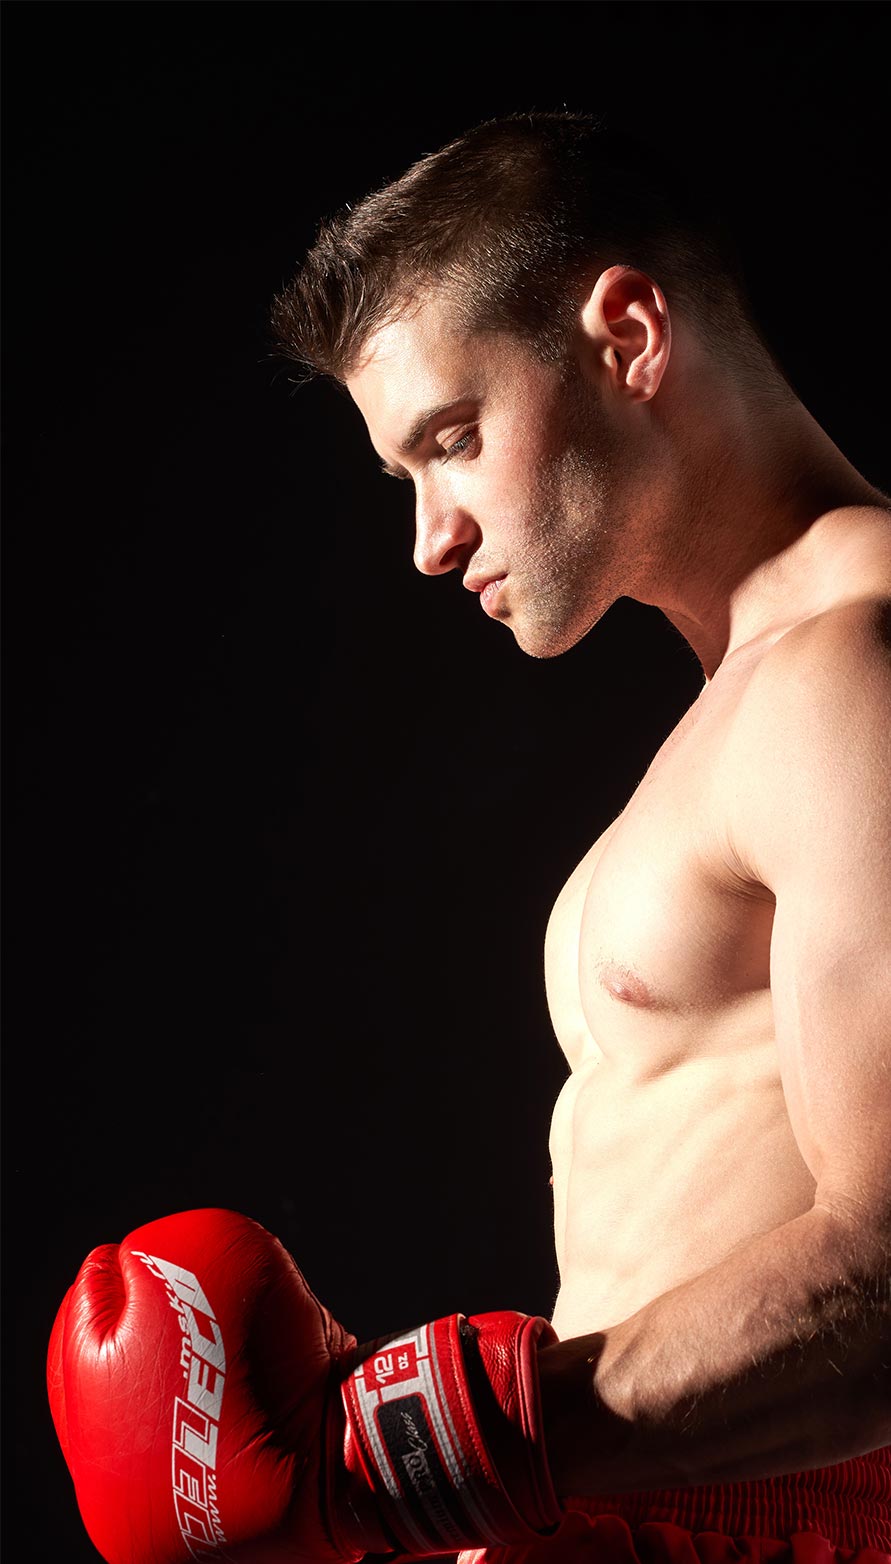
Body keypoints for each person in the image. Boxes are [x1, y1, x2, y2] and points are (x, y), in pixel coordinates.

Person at [48, 112, 890, 1563]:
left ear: (628, 337)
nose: (431, 537)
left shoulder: (853, 674)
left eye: (453, 440)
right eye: (408, 476)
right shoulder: (752, 702)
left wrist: (383, 1464)